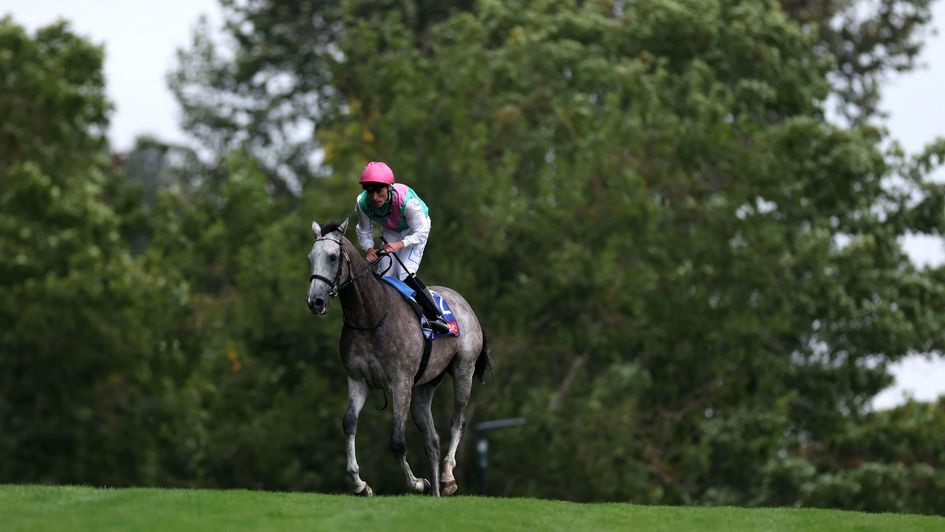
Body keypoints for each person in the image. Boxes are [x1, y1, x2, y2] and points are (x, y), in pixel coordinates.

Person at [355, 161, 451, 333]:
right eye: (370, 192)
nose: (374, 197)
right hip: (392, 230)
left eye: (379, 191)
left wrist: (400, 244)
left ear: (389, 187)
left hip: (416, 230)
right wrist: (369, 249)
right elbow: (364, 231)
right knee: (385, 276)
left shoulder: (408, 202)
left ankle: (435, 316)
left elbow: (421, 232)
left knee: (404, 273)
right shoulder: (362, 203)